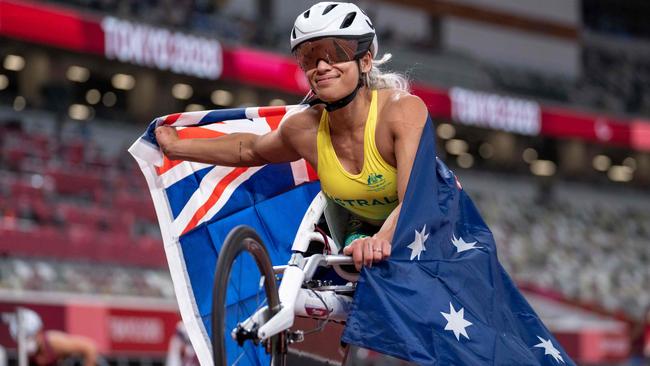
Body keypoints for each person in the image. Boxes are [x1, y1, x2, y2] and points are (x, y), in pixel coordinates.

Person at [155, 1, 428, 272]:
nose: (321, 66)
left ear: (365, 61)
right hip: (361, 232)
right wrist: (177, 147)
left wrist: (379, 240)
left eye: (334, 52)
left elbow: (416, 200)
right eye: (309, 57)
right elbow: (249, 150)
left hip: (433, 228)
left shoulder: (401, 111)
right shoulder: (304, 129)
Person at [8, 308, 98, 366]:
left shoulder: (54, 342)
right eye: (22, 340)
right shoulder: (23, 354)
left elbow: (90, 347)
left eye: (29, 337)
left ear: (39, 331)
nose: (26, 342)